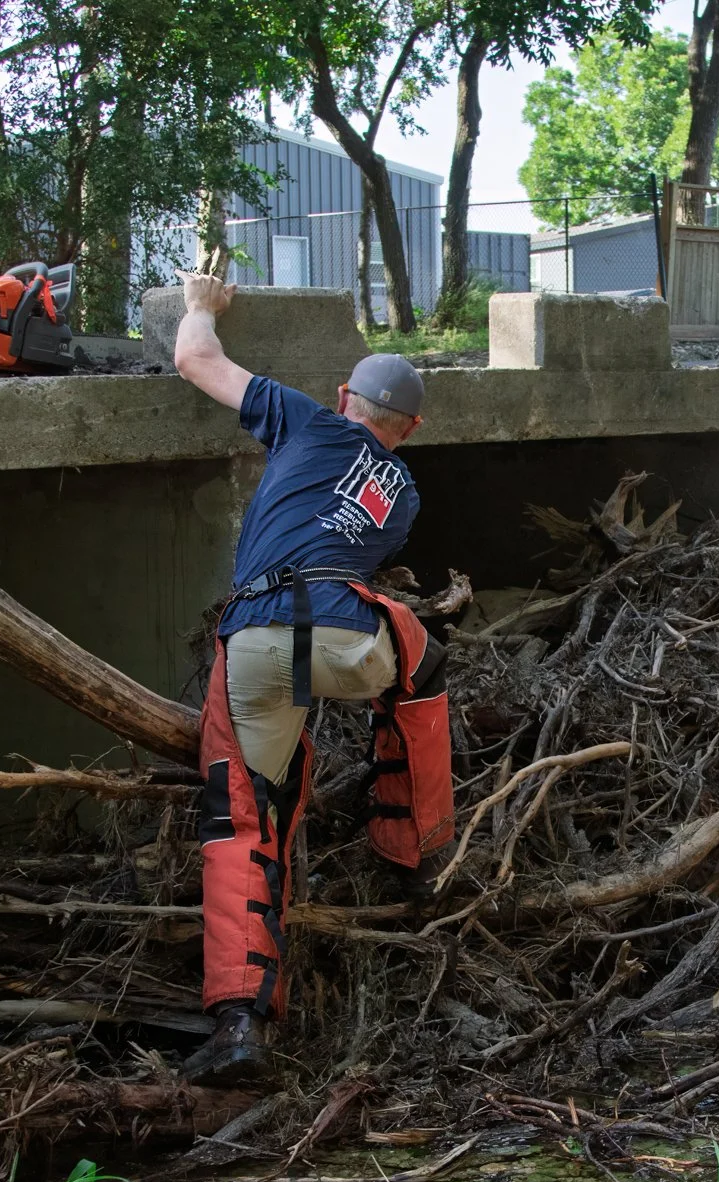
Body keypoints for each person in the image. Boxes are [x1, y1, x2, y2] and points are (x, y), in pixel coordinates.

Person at [171, 272, 455, 1085]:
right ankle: (412, 850)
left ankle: (239, 1022)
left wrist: (203, 303)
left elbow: (196, 358)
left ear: (343, 398)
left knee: (243, 817)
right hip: (349, 636)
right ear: (410, 428)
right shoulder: (403, 492)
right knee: (425, 665)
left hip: (262, 633)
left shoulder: (304, 418)